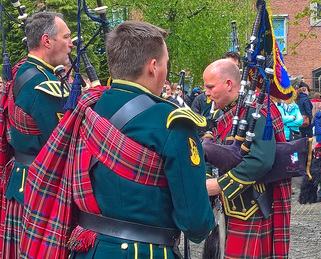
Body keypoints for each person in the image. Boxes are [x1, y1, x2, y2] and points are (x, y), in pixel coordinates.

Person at [20, 21, 215, 258]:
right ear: (153, 67)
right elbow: (196, 225)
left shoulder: (84, 109)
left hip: (86, 250)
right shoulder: (173, 122)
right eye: (165, 63)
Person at [0, 12, 73, 258]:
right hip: (39, 189)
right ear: (47, 41)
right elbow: (63, 146)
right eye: (66, 37)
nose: (71, 43)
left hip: (22, 184)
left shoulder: (22, 72)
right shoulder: (43, 86)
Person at [203, 59, 291, 257]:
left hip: (252, 207)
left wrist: (219, 185)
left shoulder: (257, 109)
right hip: (228, 206)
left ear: (228, 84)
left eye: (210, 87)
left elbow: (261, 160)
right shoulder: (226, 111)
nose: (206, 93)